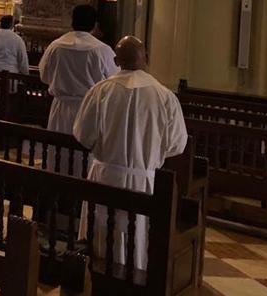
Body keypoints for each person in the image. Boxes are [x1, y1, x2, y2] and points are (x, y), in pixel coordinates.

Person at [73, 36, 188, 271]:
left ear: (116, 61)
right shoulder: (165, 96)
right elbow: (177, 144)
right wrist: (150, 153)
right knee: (139, 241)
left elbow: (84, 135)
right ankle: (136, 278)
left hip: (105, 176)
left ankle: (100, 278)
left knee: (102, 238)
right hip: (144, 180)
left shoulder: (100, 91)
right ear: (146, 57)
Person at [39, 4, 118, 148]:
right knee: (83, 154)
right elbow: (114, 80)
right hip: (89, 109)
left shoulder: (56, 46)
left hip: (61, 108)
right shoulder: (102, 50)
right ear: (94, 25)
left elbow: (44, 76)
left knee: (59, 151)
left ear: (72, 21)